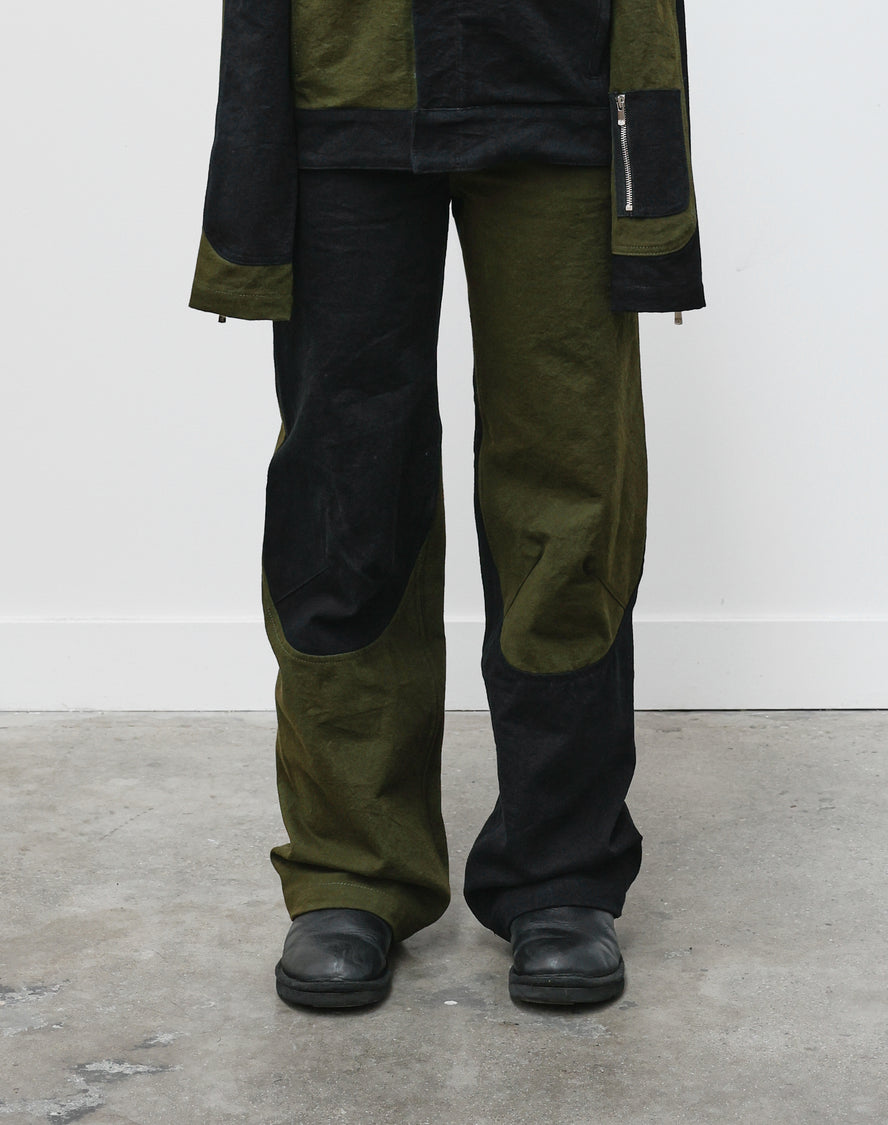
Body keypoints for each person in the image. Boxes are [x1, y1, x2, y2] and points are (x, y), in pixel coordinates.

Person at [188, 0, 705, 1009]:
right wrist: (252, 160)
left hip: (560, 86)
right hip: (344, 88)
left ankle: (560, 870)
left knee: (571, 498)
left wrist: (654, 185)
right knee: (343, 494)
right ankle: (352, 869)